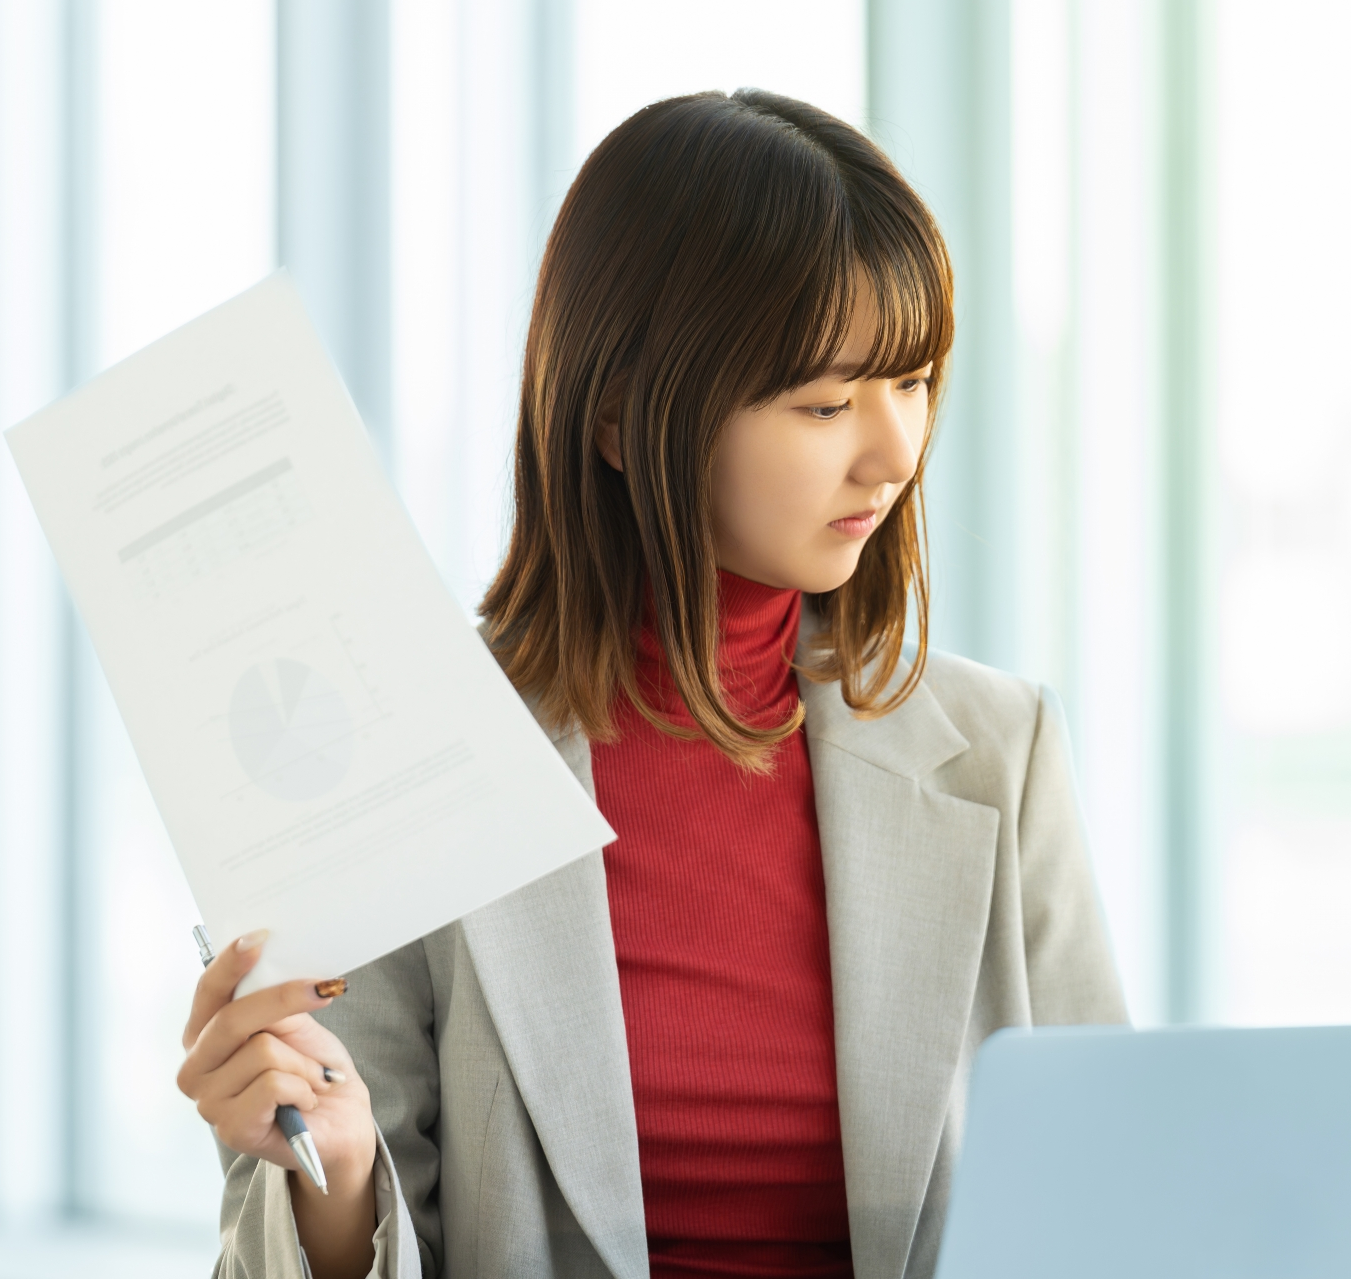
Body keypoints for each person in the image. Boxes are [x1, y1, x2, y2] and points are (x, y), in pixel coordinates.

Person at [177, 89, 1126, 1279]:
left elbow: (1118, 1196)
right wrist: (337, 1175)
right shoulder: (397, 755)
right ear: (623, 417)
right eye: (828, 403)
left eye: (914, 382)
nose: (895, 454)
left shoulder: (1000, 749)